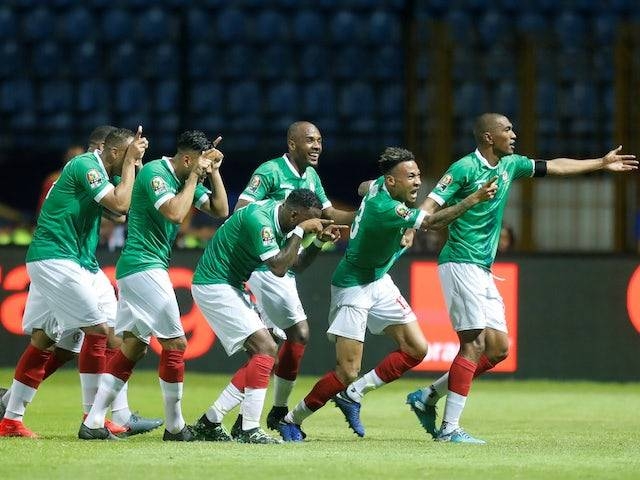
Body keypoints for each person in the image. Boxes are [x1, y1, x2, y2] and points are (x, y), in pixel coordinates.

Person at [395, 113, 636, 444]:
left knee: (498, 350)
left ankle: (428, 396)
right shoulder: (464, 168)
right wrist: (410, 227)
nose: (514, 134)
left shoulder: (511, 165)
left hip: (483, 269)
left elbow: (555, 166)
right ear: (489, 137)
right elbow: (431, 202)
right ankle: (449, 429)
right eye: (507, 129)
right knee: (474, 343)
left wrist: (601, 162)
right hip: (459, 263)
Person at [275, 147, 498, 442]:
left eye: (418, 175)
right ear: (392, 182)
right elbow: (431, 222)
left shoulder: (381, 188)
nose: (418, 182)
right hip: (352, 286)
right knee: (347, 371)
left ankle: (353, 395)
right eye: (410, 177)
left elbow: (364, 186)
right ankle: (293, 419)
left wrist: (381, 200)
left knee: (416, 349)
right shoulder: (388, 209)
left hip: (378, 281)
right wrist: (473, 199)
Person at [0, 125, 162, 438]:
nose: (131, 158)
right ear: (112, 151)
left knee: (48, 339)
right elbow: (119, 205)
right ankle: (94, 420)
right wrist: (129, 167)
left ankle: (10, 417)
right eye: (127, 154)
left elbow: (119, 215)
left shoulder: (104, 172)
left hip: (81, 263)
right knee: (99, 332)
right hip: (55, 258)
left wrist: (133, 168)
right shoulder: (85, 165)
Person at [80, 131, 228, 441]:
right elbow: (175, 212)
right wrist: (193, 180)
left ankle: (93, 422)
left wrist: (212, 172)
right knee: (175, 345)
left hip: (141, 268)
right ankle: (175, 428)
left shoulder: (185, 174)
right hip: (143, 267)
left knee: (134, 345)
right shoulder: (155, 174)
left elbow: (220, 210)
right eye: (198, 163)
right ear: (187, 159)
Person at [231, 121, 356, 433]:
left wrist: (367, 212)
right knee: (282, 338)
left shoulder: (311, 177)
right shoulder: (270, 171)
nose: (316, 146)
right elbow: (241, 209)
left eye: (320, 140)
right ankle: (253, 418)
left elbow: (328, 214)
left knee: (285, 339)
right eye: (310, 140)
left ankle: (263, 414)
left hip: (285, 265)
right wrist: (280, 225)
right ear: (291, 144)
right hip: (263, 265)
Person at [191, 188, 341, 444]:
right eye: (308, 220)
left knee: (261, 355)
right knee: (266, 347)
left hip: (230, 285)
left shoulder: (283, 220)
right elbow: (279, 268)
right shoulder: (261, 220)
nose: (311, 226)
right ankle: (249, 429)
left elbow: (296, 264)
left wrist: (317, 242)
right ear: (295, 214)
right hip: (214, 284)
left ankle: (211, 421)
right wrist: (301, 231)